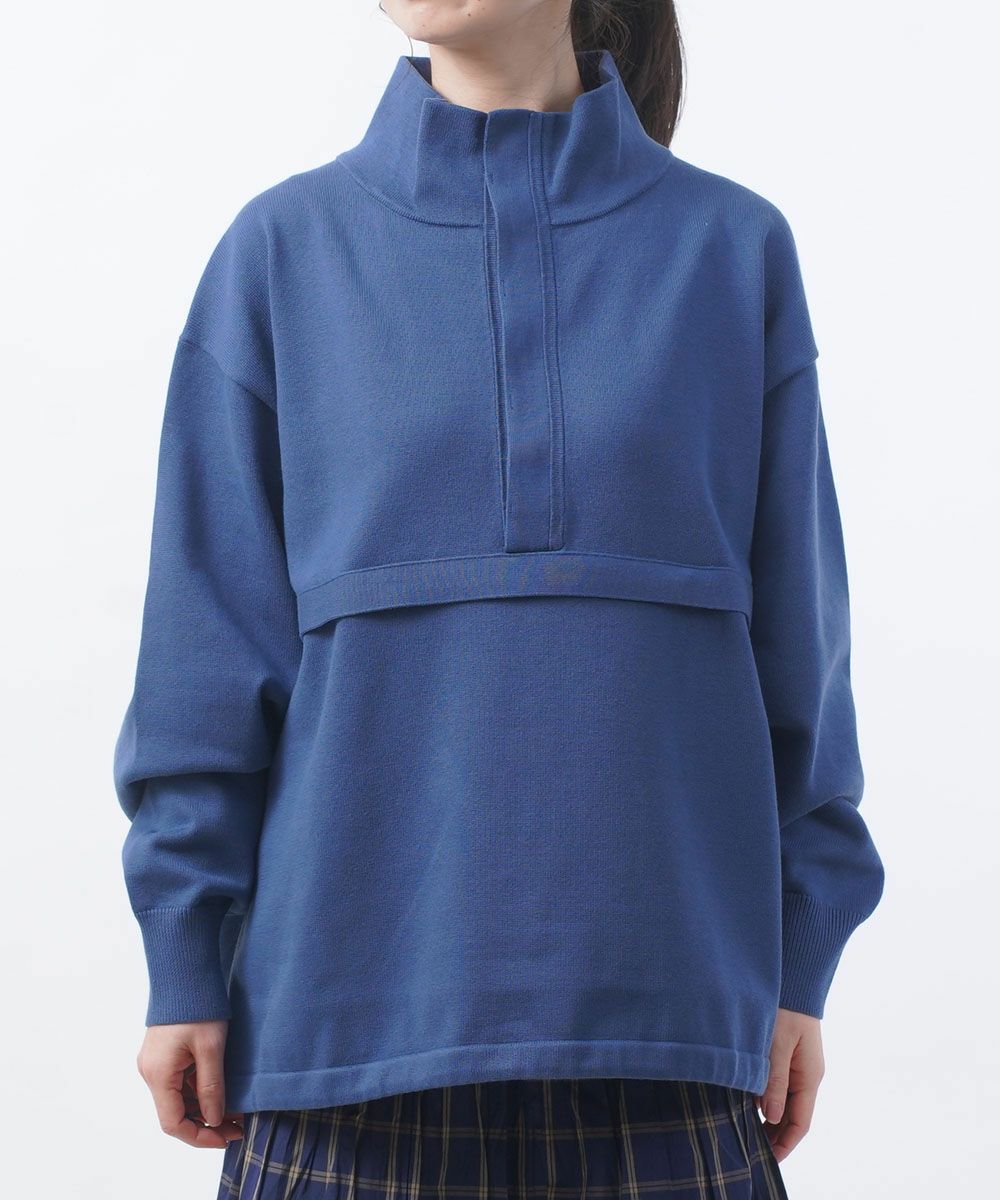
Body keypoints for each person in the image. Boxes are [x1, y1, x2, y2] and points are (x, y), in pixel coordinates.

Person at [112, 2, 886, 1197]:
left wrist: (799, 957)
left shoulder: (730, 251)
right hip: (338, 1048)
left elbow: (803, 651)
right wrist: (184, 958)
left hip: (672, 1034)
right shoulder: (281, 253)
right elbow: (204, 651)